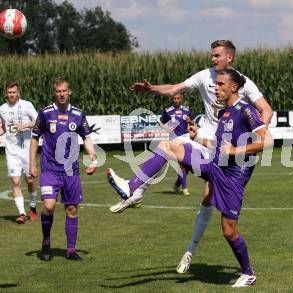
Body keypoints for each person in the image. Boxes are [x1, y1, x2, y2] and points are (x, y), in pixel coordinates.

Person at [106, 69, 274, 287]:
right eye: (216, 84)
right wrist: (197, 138)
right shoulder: (223, 113)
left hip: (233, 178)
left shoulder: (246, 109)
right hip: (214, 167)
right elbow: (218, 147)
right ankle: (132, 188)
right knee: (168, 146)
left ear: (234, 87)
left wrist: (236, 150)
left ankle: (248, 273)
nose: (216, 88)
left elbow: (267, 141)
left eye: (221, 84)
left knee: (229, 230)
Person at [29, 78, 97, 261]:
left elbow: (87, 138)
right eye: (58, 91)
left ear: (70, 92)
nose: (61, 94)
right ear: (54, 93)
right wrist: (32, 164)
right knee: (49, 206)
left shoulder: (78, 114)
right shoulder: (45, 113)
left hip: (71, 171)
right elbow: (34, 138)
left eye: (64, 91)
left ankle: (70, 250)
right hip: (49, 170)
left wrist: (92, 156)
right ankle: (46, 241)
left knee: (72, 209)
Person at [0, 81, 38, 224]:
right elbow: (4, 127)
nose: (11, 95)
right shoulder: (2, 108)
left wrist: (24, 125)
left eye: (14, 92)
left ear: (18, 93)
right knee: (15, 181)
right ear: (6, 93)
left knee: (29, 180)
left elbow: (38, 121)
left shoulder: (26, 105)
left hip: (27, 150)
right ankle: (22, 213)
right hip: (11, 151)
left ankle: (33, 206)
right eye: (9, 93)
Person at [159, 93, 193, 196]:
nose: (176, 100)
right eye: (174, 98)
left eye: (178, 98)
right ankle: (185, 188)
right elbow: (160, 122)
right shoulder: (168, 111)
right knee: (182, 165)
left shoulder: (187, 110)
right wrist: (166, 128)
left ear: (181, 99)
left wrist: (190, 121)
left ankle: (177, 185)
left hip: (186, 140)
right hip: (175, 141)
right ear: (171, 99)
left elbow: (192, 123)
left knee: (187, 166)